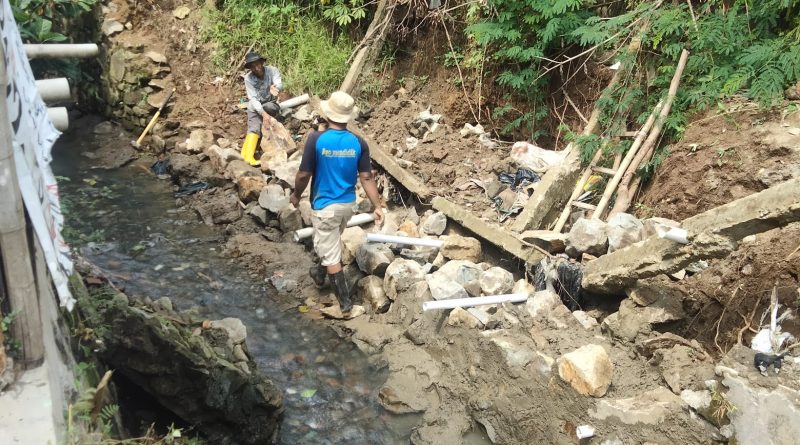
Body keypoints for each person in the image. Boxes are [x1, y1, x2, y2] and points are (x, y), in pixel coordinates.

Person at [290, 91, 384, 313]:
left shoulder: (316, 139)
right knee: (330, 241)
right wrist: (377, 205)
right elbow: (367, 177)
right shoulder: (358, 142)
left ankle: (345, 303)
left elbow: (304, 174)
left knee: (331, 254)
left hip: (325, 205)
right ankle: (319, 273)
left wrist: (295, 195)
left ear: (327, 113)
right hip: (348, 206)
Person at [240, 51, 283, 166]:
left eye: (258, 64)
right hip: (255, 107)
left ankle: (247, 155)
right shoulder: (248, 78)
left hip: (269, 104)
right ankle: (246, 156)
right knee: (254, 128)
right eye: (253, 66)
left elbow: (279, 83)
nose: (256, 68)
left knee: (270, 107)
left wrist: (276, 88)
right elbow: (253, 99)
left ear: (261, 63)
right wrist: (263, 114)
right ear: (250, 68)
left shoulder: (272, 70)